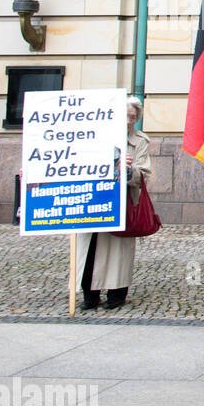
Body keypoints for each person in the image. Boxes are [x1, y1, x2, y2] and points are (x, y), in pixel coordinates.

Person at [75, 97, 152, 311]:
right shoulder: (95, 135)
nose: (129, 121)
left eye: (133, 117)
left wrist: (128, 170)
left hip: (122, 203)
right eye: (125, 116)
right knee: (90, 248)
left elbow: (144, 173)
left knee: (117, 251)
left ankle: (116, 294)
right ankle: (89, 295)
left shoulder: (140, 141)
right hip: (94, 201)